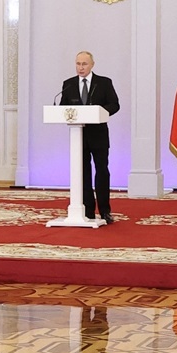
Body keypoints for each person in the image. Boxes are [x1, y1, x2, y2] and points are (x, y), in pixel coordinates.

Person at [60, 51, 120, 224]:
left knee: (101, 171)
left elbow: (114, 104)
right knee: (82, 172)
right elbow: (63, 107)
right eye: (78, 64)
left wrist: (99, 113)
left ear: (92, 64)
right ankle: (87, 210)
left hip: (99, 134)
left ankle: (105, 210)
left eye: (84, 64)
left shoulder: (104, 83)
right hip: (78, 136)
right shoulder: (68, 84)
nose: (81, 67)